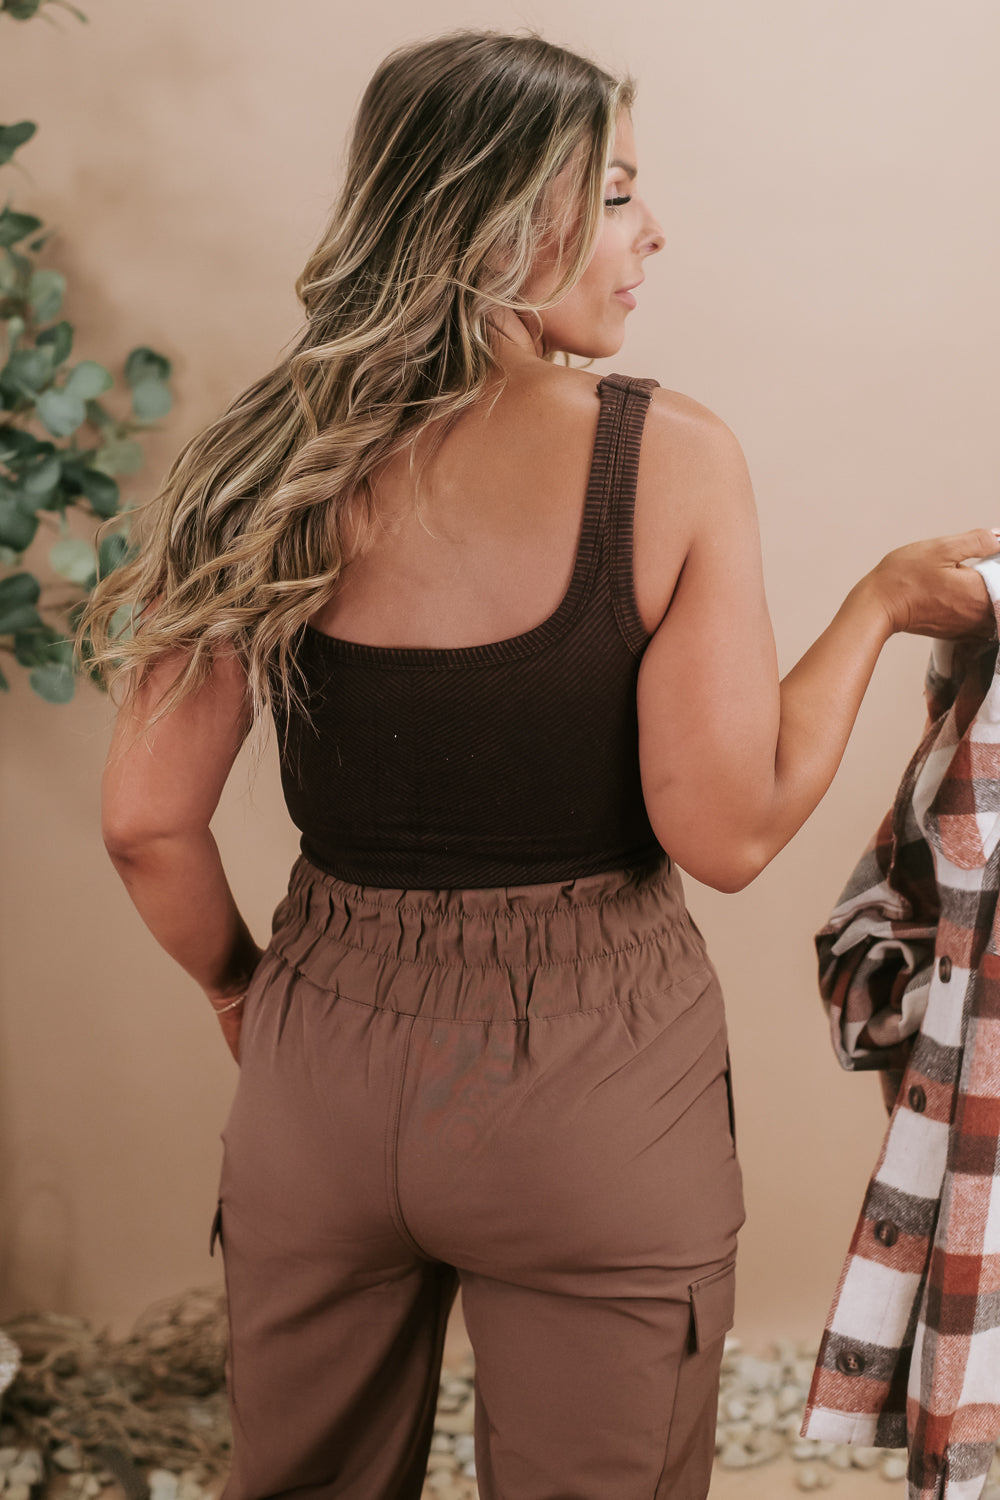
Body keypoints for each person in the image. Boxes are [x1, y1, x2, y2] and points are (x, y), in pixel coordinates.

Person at [79, 28, 998, 1500]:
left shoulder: (258, 462)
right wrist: (878, 604)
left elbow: (143, 823)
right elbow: (729, 832)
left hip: (317, 1068)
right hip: (593, 1087)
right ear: (502, 216)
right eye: (618, 191)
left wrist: (250, 996)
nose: (654, 231)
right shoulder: (666, 457)